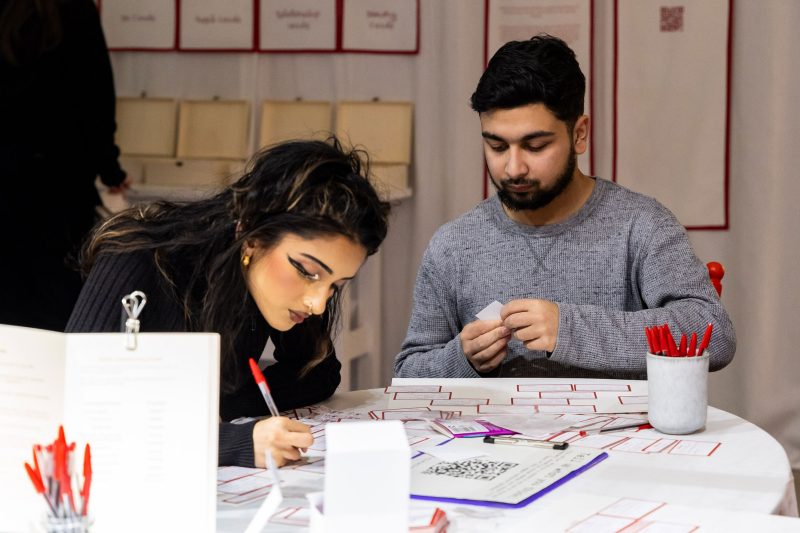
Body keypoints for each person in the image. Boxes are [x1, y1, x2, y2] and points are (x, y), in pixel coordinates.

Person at [394, 35, 735, 379]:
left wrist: (569, 329)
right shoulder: (453, 245)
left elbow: (714, 334)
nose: (513, 168)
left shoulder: (641, 225)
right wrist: (462, 358)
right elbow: (408, 375)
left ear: (580, 134)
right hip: (494, 434)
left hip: (620, 432)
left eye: (535, 145)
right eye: (497, 146)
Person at [66, 138, 390, 467]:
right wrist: (232, 441)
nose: (318, 303)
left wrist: (217, 407)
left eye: (335, 285)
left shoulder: (270, 284)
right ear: (251, 236)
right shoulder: (136, 256)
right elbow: (72, 410)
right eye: (307, 272)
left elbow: (317, 373)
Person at [0, 0, 130, 331]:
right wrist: (110, 167)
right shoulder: (74, 10)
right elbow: (97, 96)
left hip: (10, 185)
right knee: (61, 308)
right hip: (61, 189)